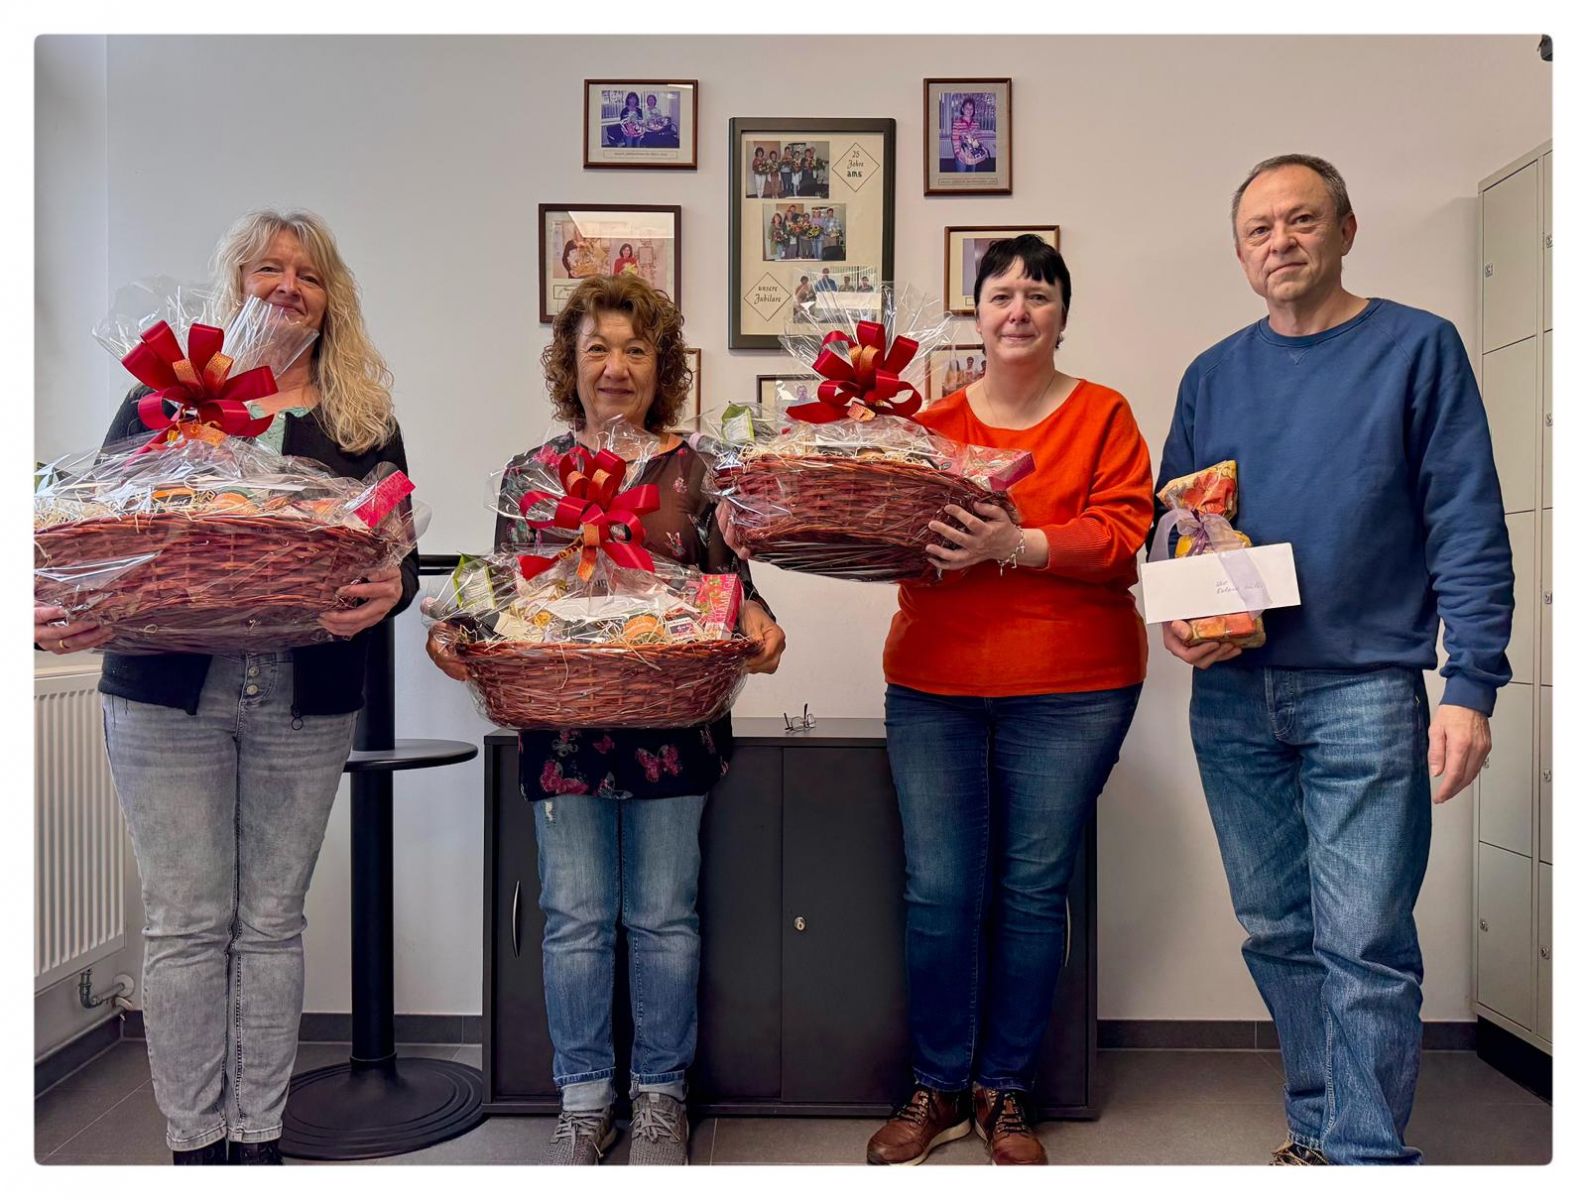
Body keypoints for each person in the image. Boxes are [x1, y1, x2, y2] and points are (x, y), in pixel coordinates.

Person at [34, 210, 419, 1165]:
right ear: (234, 282)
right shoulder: (163, 397)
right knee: (184, 924)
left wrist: (394, 590)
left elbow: (396, 554)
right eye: (267, 268)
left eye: (309, 274)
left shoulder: (362, 418)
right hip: (164, 690)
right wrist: (58, 604)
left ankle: (259, 1138)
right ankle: (196, 1144)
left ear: (333, 300)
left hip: (305, 691)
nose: (288, 286)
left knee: (271, 923)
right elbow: (97, 526)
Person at [752, 234, 1145, 1166]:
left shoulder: (1102, 414)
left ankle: (1004, 1090)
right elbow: (883, 542)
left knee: (1031, 893)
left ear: (1062, 315)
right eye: (1001, 293)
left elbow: (1126, 536)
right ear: (977, 314)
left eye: (1038, 294)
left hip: (1074, 690)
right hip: (936, 688)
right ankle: (936, 1085)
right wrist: (777, 506)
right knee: (938, 893)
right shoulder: (925, 427)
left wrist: (1016, 544)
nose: (1019, 309)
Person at [1156, 154, 1511, 1165]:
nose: (1281, 242)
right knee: (1276, 929)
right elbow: (1172, 522)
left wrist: (1471, 683)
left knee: (1363, 940)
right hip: (1232, 694)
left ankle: (1364, 1157)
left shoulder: (1417, 348)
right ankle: (1317, 1129)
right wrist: (1178, 605)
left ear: (1346, 230)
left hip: (1366, 688)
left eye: (1302, 220)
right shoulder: (1212, 373)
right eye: (1259, 229)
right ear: (1240, 252)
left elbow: (1466, 522)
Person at [427, 274, 786, 1166]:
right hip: (562, 734)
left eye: (635, 349)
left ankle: (660, 1096)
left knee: (663, 917)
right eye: (597, 348)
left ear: (662, 366)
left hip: (673, 728)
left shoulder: (699, 470)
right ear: (570, 363)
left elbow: (727, 583)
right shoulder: (531, 474)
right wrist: (453, 631)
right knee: (575, 918)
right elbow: (499, 592)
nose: (616, 366)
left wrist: (757, 620)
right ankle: (583, 1099)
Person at [951, 96, 989, 172]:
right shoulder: (957, 123)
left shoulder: (976, 123)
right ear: (962, 109)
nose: (969, 110)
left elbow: (979, 138)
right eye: (967, 108)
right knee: (962, 172)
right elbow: (955, 139)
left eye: (971, 108)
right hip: (961, 152)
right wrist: (957, 152)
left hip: (973, 153)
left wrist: (982, 148)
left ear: (974, 110)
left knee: (972, 172)